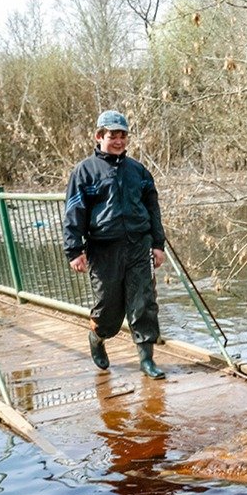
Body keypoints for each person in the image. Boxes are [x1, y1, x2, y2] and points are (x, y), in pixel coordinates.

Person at [63, 109, 167, 380]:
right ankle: (97, 336)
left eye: (123, 136)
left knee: (143, 302)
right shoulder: (84, 172)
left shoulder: (139, 172)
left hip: (137, 245)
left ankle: (147, 360)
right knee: (108, 307)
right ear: (99, 137)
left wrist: (158, 244)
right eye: (112, 136)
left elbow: (153, 208)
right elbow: (74, 212)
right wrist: (74, 250)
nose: (118, 141)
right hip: (103, 248)